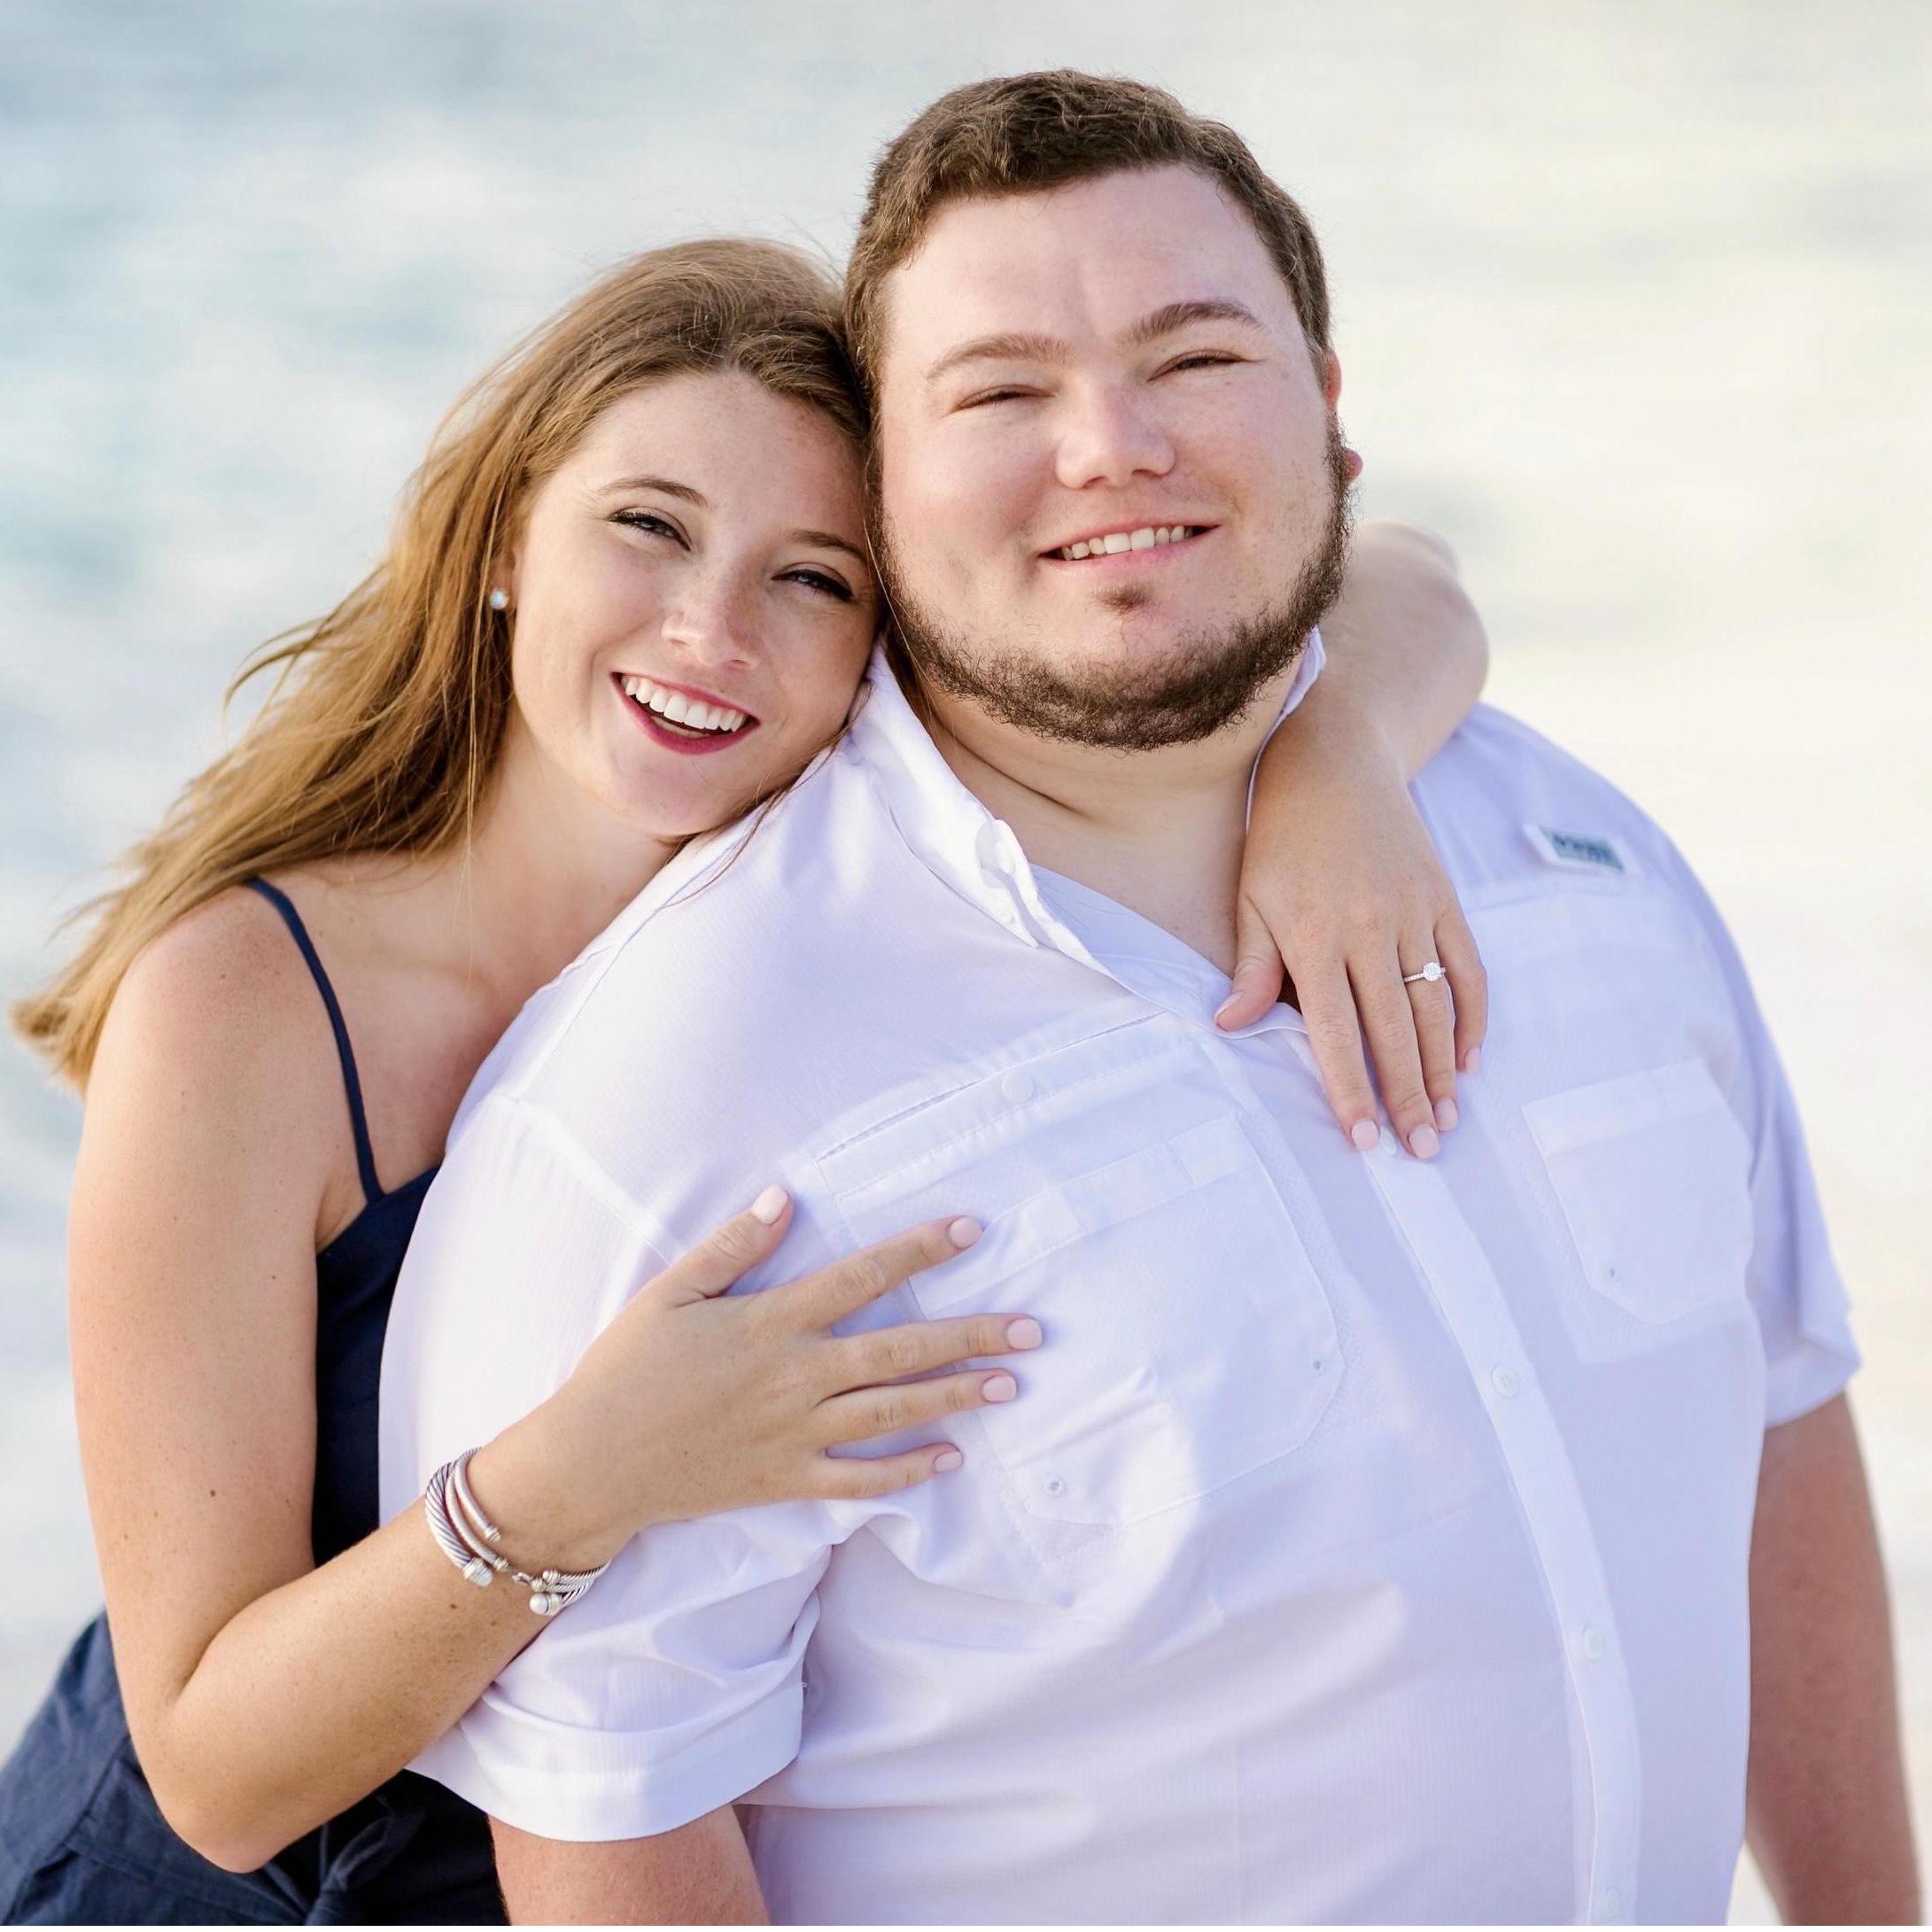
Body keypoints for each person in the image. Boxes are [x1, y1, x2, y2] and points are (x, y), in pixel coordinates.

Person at [381, 71, 1920, 1928]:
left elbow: (1768, 1405)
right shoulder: (671, 1085)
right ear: (881, 479)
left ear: (1328, 407)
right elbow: (611, 1808)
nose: (1109, 445)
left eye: (1192, 357)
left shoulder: (1578, 861)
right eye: (999, 392)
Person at [0, 233, 1491, 1922]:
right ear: (504, 540)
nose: (709, 630)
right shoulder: (244, 1006)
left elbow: (1409, 575)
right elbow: (214, 1772)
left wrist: (1336, 761)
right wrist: (586, 1470)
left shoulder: (830, 920)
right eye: (649, 526)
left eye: (815, 580)